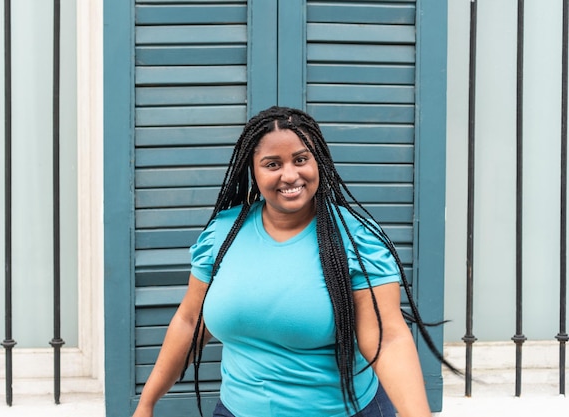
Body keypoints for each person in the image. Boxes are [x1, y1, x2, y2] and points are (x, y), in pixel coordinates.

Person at [133, 106, 447, 417]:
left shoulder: (356, 238)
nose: (290, 175)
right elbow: (190, 321)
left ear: (318, 161)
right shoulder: (223, 234)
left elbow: (388, 337)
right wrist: (146, 404)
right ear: (252, 171)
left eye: (301, 159)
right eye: (273, 164)